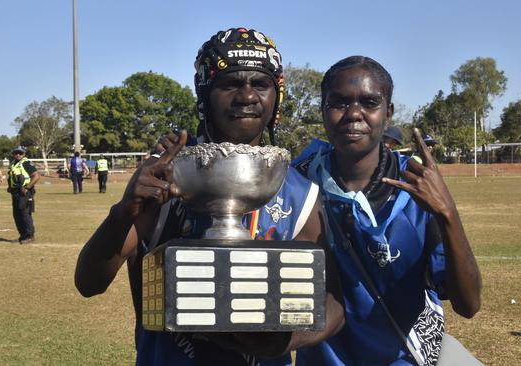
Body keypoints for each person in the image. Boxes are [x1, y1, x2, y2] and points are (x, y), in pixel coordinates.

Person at [75, 28, 344, 366]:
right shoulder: (168, 175)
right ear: (204, 93)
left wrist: (280, 342)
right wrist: (123, 213)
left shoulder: (298, 191)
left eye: (260, 84)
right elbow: (89, 282)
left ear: (277, 96)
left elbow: (333, 304)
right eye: (230, 83)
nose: (246, 96)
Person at [292, 56, 482, 366]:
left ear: (388, 112)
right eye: (339, 102)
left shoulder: (415, 187)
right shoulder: (298, 181)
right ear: (323, 110)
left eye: (369, 102)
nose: (354, 114)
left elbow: (469, 304)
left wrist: (447, 213)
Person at [8, 146, 40, 244]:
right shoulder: (13, 164)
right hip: (15, 192)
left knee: (25, 214)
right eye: (16, 153)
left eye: (20, 153)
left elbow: (36, 176)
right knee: (17, 215)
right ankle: (23, 235)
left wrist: (27, 187)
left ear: (24, 154)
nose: (18, 155)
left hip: (24, 192)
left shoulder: (26, 163)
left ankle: (30, 235)